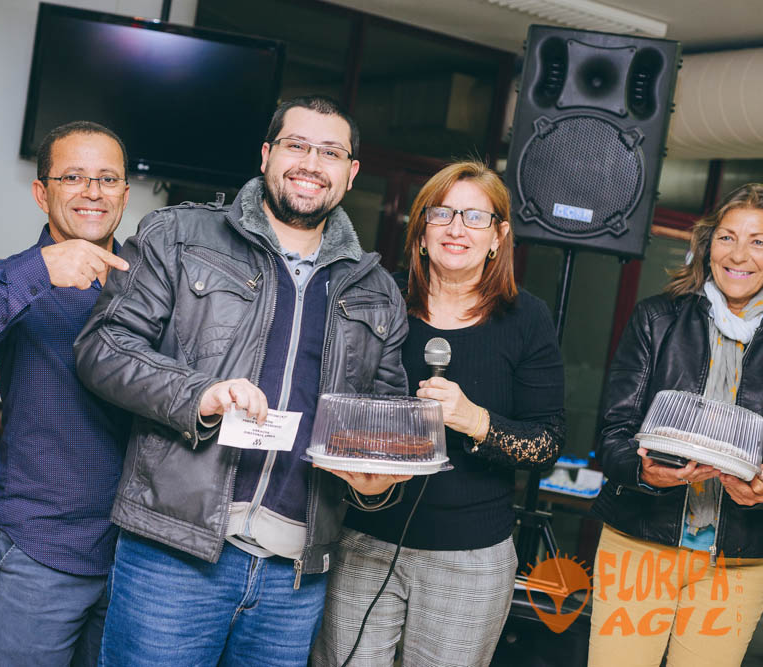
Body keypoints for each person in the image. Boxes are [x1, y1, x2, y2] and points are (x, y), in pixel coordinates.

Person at [73, 95, 411, 666]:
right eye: (296, 145)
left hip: (295, 578)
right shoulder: (179, 235)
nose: (311, 163)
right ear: (266, 154)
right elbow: (102, 348)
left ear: (351, 173)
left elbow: (384, 422)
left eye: (330, 152)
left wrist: (375, 481)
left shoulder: (377, 290)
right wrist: (198, 393)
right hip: (174, 553)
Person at [312, 161, 566, 667]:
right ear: (422, 230)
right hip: (364, 540)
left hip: (469, 559)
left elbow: (547, 445)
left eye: (475, 216)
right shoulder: (376, 299)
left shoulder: (526, 318)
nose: (456, 228)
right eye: (442, 213)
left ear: (498, 237)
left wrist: (475, 420)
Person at [0, 120, 132, 666]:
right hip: (39, 551)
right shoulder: (14, 279)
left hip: (137, 557)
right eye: (74, 177)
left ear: (124, 193)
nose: (93, 192)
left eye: (107, 179)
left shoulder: (154, 286)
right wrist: (39, 269)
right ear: (42, 193)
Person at [589, 183, 763, 667]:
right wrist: (644, 471)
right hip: (638, 543)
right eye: (727, 237)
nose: (739, 255)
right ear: (707, 245)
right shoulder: (656, 319)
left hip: (738, 560)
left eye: (759, 241)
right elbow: (612, 435)